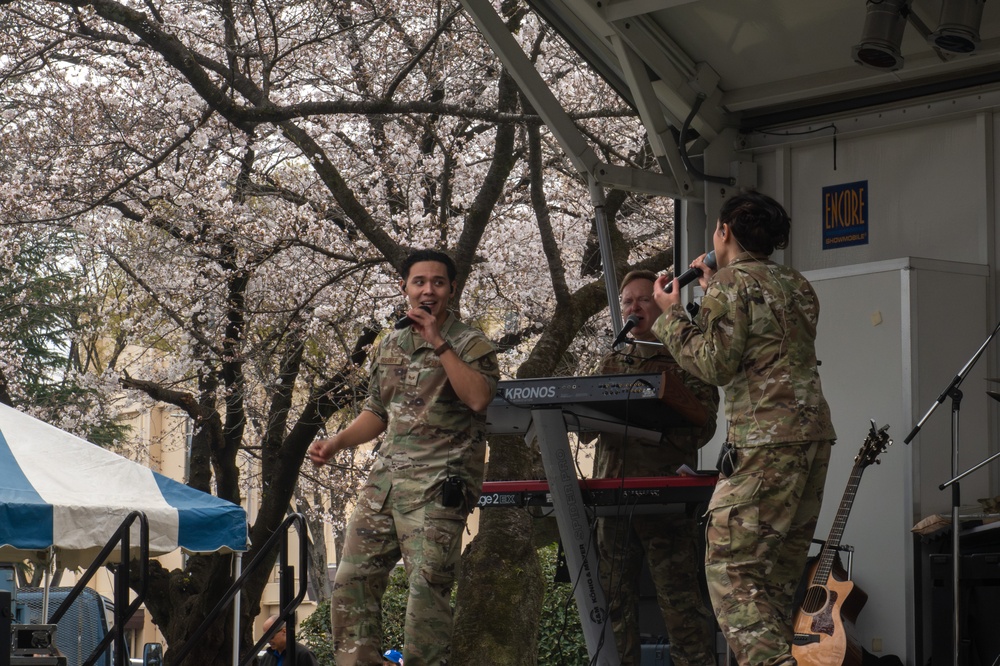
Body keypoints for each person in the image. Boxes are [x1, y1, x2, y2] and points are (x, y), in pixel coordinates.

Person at [651, 190, 836, 666]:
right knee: (772, 579)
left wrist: (672, 316)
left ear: (724, 232)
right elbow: (761, 341)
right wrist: (716, 286)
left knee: (731, 571)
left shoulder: (731, 283)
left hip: (763, 441)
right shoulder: (796, 283)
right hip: (811, 437)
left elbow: (714, 364)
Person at [308, 248, 499, 666]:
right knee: (351, 581)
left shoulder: (471, 344)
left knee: (424, 590)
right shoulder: (389, 343)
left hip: (438, 486)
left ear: (451, 290)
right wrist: (337, 442)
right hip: (387, 483)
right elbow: (378, 411)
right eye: (419, 282)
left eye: (438, 282)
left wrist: (439, 343)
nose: (428, 290)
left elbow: (479, 398)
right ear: (405, 288)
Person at [595, 270, 719, 666]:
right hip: (611, 499)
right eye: (627, 301)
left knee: (680, 605)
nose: (633, 308)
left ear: (660, 304)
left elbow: (704, 424)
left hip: (665, 499)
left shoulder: (684, 355)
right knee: (613, 605)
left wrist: (656, 429)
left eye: (642, 300)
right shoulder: (612, 360)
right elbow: (585, 422)